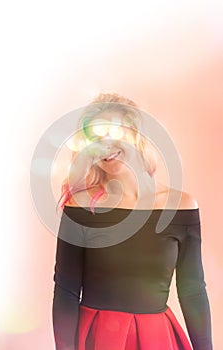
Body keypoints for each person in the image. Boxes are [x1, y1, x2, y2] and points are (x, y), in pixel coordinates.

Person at [52, 93, 213, 350]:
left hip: (157, 338)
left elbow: (193, 289)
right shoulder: (80, 206)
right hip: (97, 339)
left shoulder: (181, 206)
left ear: (138, 136)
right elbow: (66, 291)